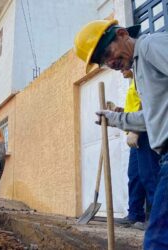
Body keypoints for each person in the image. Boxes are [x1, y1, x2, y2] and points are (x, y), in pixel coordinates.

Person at [74, 19, 168, 249]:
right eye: (104, 61)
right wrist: (115, 118)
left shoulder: (149, 46)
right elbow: (152, 118)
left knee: (157, 240)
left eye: (108, 52)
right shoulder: (140, 68)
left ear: (123, 34)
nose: (111, 62)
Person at [109, 70, 160, 230]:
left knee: (149, 175)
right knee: (135, 176)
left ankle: (157, 220)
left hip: (144, 132)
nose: (120, 71)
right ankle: (135, 215)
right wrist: (122, 111)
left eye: (122, 68)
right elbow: (136, 107)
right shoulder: (132, 82)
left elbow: (149, 106)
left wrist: (136, 131)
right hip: (135, 131)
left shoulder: (141, 77)